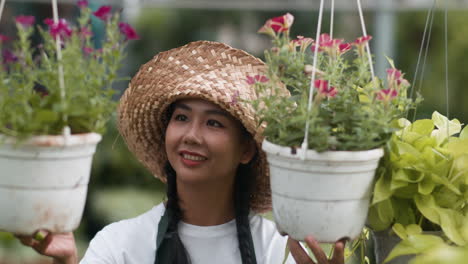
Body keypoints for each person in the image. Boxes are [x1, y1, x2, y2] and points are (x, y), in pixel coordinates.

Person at [16, 41, 346, 264]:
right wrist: (66, 262)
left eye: (214, 123)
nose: (191, 135)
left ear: (247, 150)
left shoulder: (278, 249)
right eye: (182, 117)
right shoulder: (120, 245)